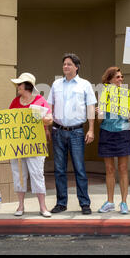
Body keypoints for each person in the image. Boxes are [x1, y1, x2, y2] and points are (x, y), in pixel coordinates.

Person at [47, 53, 96, 215]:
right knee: (59, 169)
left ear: (76, 67)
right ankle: (61, 203)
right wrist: (47, 128)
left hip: (76, 131)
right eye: (64, 64)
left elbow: (90, 108)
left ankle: (84, 203)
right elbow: (49, 107)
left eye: (69, 64)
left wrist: (90, 129)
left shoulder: (85, 85)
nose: (65, 67)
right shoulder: (56, 85)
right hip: (58, 131)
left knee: (79, 168)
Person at [9, 72, 53, 218]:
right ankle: (21, 205)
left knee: (37, 174)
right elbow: (8, 121)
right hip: (18, 145)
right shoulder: (15, 102)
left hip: (35, 145)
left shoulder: (40, 101)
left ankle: (43, 206)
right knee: (19, 175)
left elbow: (50, 119)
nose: (17, 86)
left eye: (19, 84)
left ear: (27, 86)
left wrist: (42, 118)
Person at [96, 67, 130, 214]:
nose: (121, 79)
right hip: (107, 132)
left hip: (123, 132)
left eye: (121, 77)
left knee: (123, 168)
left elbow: (129, 115)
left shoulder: (127, 94)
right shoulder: (103, 93)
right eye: (117, 77)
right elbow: (100, 119)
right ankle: (110, 201)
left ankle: (124, 203)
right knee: (109, 169)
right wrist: (99, 112)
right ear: (109, 79)